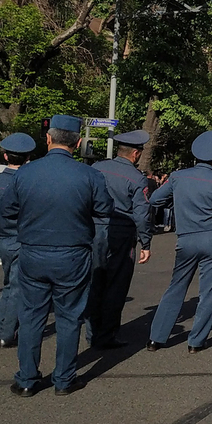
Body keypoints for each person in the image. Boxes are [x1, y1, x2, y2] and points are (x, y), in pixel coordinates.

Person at [3, 115, 114, 397]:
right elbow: (104, 209)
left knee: (30, 316)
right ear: (77, 143)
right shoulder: (89, 175)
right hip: (72, 254)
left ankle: (27, 378)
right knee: (69, 317)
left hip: (33, 251)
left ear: (48, 138)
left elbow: (7, 210)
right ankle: (64, 379)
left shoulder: (25, 173)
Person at [147, 131, 212, 353]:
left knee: (176, 286)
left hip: (186, 237)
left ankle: (156, 338)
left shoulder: (178, 177)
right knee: (209, 290)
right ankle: (196, 342)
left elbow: (155, 199)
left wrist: (179, 205)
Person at [86, 130, 153, 350]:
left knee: (94, 280)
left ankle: (91, 330)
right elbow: (142, 214)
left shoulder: (96, 169)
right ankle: (106, 334)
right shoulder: (136, 178)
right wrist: (146, 242)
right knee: (116, 285)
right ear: (135, 154)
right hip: (122, 233)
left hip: (94, 230)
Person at [0, 133, 36, 349]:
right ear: (28, 158)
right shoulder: (29, 181)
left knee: (9, 284)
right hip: (22, 238)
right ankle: (7, 333)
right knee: (17, 286)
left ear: (6, 156)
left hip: (2, 238)